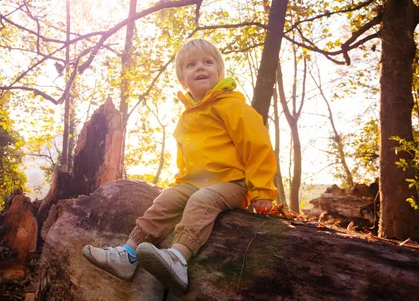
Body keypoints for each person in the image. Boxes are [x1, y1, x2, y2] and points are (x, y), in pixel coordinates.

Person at [82, 38, 278, 293]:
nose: (200, 68)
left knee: (202, 200)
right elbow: (184, 156)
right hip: (195, 182)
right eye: (191, 65)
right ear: (182, 79)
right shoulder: (186, 117)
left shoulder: (232, 105)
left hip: (234, 183)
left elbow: (257, 144)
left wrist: (262, 190)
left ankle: (179, 257)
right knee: (165, 201)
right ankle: (128, 254)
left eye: (208, 63)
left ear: (219, 72)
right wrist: (179, 185)